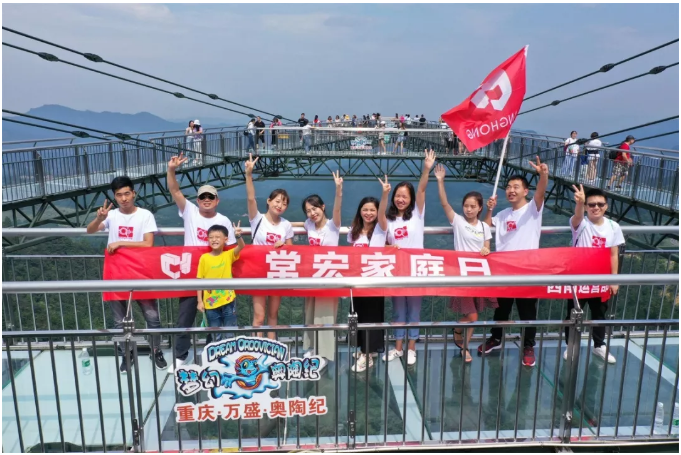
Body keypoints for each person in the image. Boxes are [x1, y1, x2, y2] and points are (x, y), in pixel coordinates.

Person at [86, 176, 167, 374]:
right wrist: (99, 219)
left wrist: (120, 242)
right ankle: (126, 353)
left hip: (141, 271)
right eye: (119, 195)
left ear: (134, 194)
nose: (123, 198)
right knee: (119, 320)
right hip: (116, 273)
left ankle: (156, 350)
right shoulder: (112, 216)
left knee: (152, 317)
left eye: (127, 194)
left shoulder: (145, 215)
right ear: (115, 197)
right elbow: (89, 231)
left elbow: (148, 243)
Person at [165, 153, 237, 373]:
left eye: (210, 197)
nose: (206, 200)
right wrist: (171, 170)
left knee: (215, 318)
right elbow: (175, 191)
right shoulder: (190, 211)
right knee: (185, 316)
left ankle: (213, 354)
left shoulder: (223, 221)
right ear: (197, 200)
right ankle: (181, 355)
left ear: (217, 200)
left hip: (215, 277)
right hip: (191, 273)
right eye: (202, 197)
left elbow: (232, 250)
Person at [481, 156, 549, 367]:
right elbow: (484, 227)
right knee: (501, 308)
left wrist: (543, 176)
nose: (511, 190)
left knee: (527, 311)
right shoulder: (502, 214)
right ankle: (496, 338)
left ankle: (528, 345)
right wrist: (489, 209)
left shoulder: (532, 209)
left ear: (525, 191)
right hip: (504, 270)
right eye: (509, 187)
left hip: (528, 269)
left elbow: (541, 192)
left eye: (516, 187)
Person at [434, 164, 495, 363]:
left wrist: (486, 250)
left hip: (478, 276)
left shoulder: (485, 226)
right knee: (473, 316)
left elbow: (487, 247)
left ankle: (463, 342)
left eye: (472, 206)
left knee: (473, 316)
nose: (468, 209)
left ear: (479, 208)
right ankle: (459, 334)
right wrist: (440, 181)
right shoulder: (458, 222)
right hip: (461, 275)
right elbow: (444, 204)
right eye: (466, 206)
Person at [383, 149, 436, 366]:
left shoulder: (417, 214)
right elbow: (383, 243)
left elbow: (422, 188)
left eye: (405, 196)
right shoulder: (389, 219)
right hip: (397, 270)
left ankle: (411, 347)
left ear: (411, 199)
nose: (401, 199)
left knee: (414, 309)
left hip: (416, 269)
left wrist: (426, 169)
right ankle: (398, 347)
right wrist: (390, 247)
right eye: (398, 195)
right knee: (398, 310)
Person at [564, 186, 623, 364]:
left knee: (599, 313)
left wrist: (614, 280)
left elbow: (614, 254)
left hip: (601, 279)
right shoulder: (581, 224)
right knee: (573, 314)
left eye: (600, 204)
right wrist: (579, 203)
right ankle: (571, 345)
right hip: (578, 278)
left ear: (606, 206)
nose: (596, 207)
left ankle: (599, 345)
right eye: (591, 204)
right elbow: (577, 216)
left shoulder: (613, 226)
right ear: (586, 206)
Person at [297, 171, 344, 372]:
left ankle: (323, 354)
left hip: (330, 276)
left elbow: (338, 208)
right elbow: (297, 224)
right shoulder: (309, 225)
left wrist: (338, 190)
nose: (312, 213)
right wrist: (281, 227)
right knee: (310, 312)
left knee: (325, 316)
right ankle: (311, 347)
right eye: (308, 210)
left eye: (315, 208)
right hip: (312, 275)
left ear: (323, 207)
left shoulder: (333, 225)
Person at [244, 154, 294, 339]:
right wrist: (249, 175)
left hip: (276, 272)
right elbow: (251, 199)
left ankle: (272, 348)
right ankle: (256, 349)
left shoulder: (286, 225)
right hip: (258, 271)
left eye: (284, 203)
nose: (280, 205)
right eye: (277, 201)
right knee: (259, 316)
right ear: (268, 201)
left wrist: (284, 246)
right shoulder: (257, 219)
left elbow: (291, 251)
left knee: (273, 315)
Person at [348, 178, 391, 372]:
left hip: (374, 279)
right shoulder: (354, 231)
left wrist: (385, 194)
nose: (368, 213)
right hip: (357, 280)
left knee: (371, 316)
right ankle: (366, 349)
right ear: (360, 211)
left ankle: (367, 355)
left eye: (372, 210)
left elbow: (382, 213)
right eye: (365, 209)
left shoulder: (381, 229)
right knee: (359, 314)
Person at [197, 223, 246, 342]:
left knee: (230, 332)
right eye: (211, 237)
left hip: (228, 300)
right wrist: (199, 301)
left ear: (226, 239)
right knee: (215, 334)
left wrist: (238, 236)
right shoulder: (204, 258)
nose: (214, 240)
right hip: (210, 303)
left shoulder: (228, 255)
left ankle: (230, 353)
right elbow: (199, 280)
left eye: (218, 237)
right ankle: (216, 354)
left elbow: (241, 246)